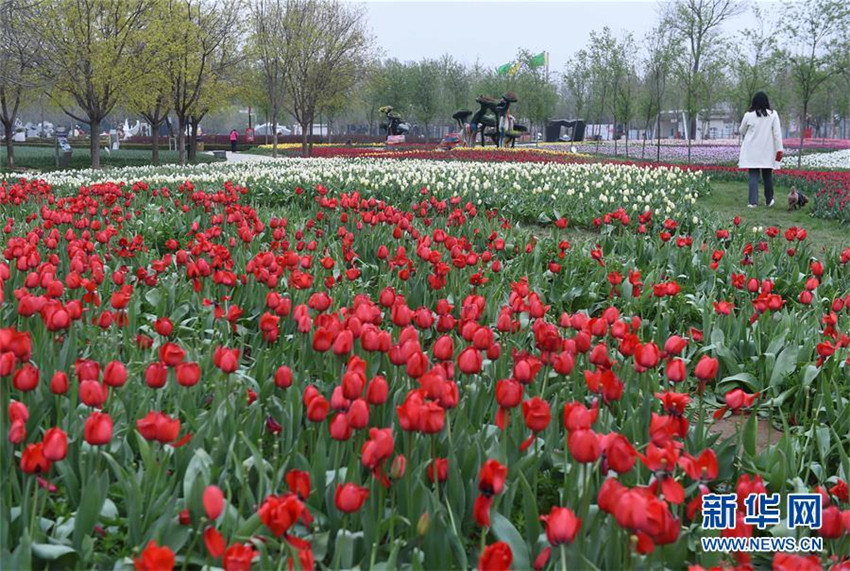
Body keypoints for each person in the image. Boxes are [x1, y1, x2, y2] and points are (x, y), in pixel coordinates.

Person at [738, 92, 784, 208]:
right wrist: (779, 149)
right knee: (767, 175)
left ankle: (753, 202)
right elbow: (777, 134)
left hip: (752, 150)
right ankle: (769, 200)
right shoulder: (773, 115)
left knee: (753, 175)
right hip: (767, 150)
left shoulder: (749, 115)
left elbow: (741, 131)